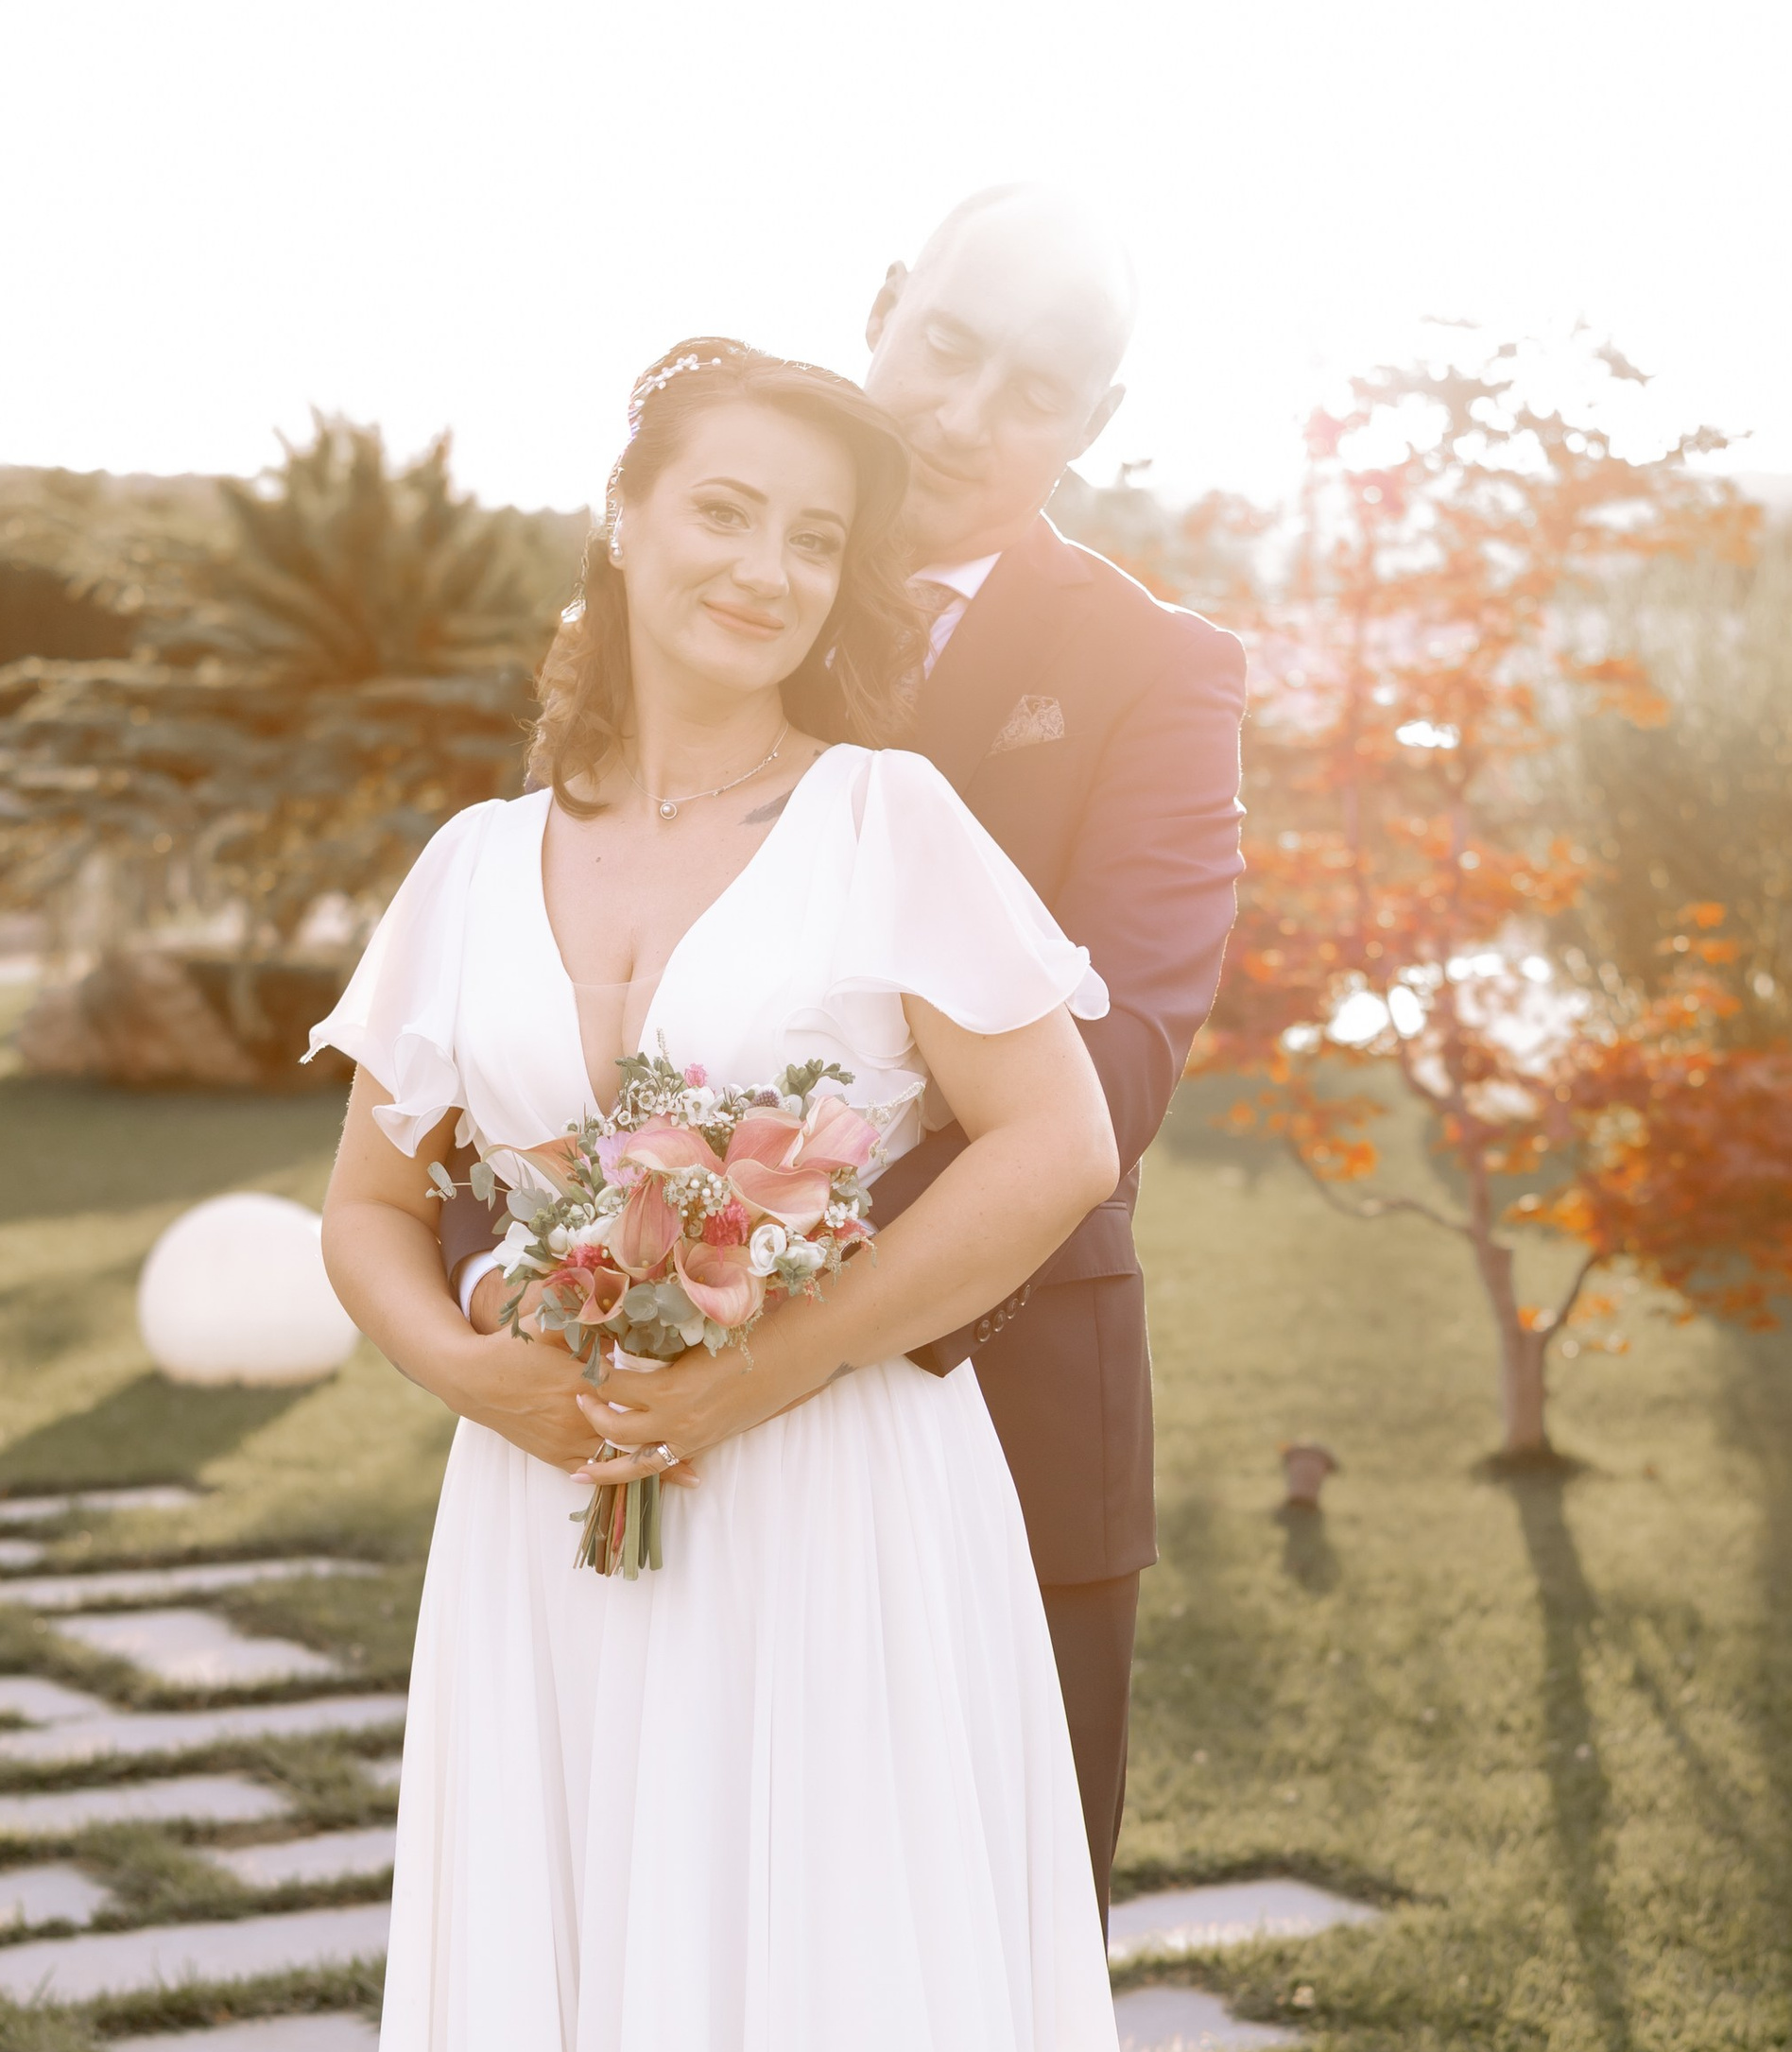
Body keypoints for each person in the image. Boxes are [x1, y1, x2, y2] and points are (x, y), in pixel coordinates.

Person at [282, 337, 1266, 2052]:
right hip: (547, 1561)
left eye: (809, 541)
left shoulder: (890, 826)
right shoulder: (478, 860)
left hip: (833, 1531)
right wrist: (464, 1365)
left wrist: (752, 1378)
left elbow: (1055, 1142)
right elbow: (375, 1203)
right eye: (718, 513)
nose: (760, 569)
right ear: (617, 520)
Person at [438, 186, 1248, 1924]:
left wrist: (769, 1305)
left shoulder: (1155, 672)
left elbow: (1120, 1058)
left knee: (969, 1975)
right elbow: (538, 961)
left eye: (1033, 388)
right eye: (945, 344)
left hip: (994, 1397)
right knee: (661, 1954)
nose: (962, 411)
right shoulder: (679, 589)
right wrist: (551, 1277)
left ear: (1095, 426)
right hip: (617, 1398)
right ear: (885, 305)